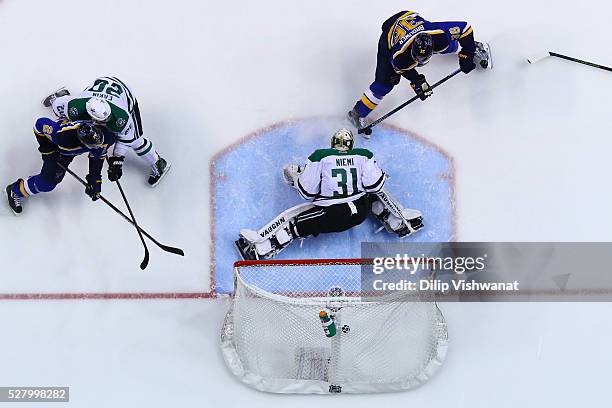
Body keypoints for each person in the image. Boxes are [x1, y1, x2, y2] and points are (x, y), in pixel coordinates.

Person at [235, 128, 424, 260]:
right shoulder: (363, 154)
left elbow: (307, 193)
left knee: (293, 227)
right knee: (372, 195)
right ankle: (397, 221)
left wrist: (298, 178)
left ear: (333, 143)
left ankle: (260, 249)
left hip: (333, 215)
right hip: (360, 211)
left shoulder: (320, 156)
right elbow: (375, 184)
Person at [348, 10, 491, 129]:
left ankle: (475, 48)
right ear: (412, 51)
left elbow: (465, 28)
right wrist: (416, 80)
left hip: (410, 19)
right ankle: (357, 113)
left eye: (424, 58)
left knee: (446, 44)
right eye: (417, 58)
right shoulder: (400, 56)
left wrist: (468, 51)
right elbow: (401, 69)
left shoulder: (438, 34)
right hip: (390, 35)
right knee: (384, 83)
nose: (420, 62)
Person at [43, 76, 170, 186]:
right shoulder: (75, 107)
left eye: (106, 120)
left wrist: (117, 160)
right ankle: (64, 94)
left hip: (123, 94)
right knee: (71, 115)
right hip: (94, 91)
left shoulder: (121, 117)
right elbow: (58, 106)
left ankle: (158, 163)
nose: (104, 124)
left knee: (136, 141)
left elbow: (125, 138)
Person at [5, 118, 115, 215]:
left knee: (56, 179)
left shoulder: (106, 138)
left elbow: (97, 157)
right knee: (47, 183)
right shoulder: (63, 137)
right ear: (81, 141)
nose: (98, 147)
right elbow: (39, 124)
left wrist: (94, 180)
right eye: (93, 146)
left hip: (69, 153)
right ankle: (14, 190)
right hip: (55, 149)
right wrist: (47, 150)